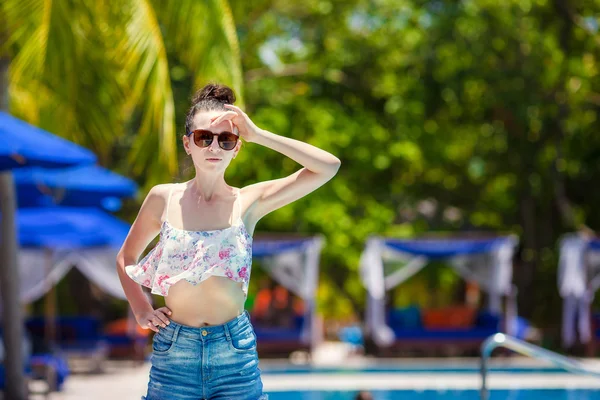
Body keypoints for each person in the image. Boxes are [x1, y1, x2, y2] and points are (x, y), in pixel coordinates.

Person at [116, 83, 340, 400]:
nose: (214, 147)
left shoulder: (249, 201)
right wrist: (141, 309)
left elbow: (328, 166)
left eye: (226, 139)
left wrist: (259, 134)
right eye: (203, 137)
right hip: (175, 350)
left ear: (237, 146)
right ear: (187, 143)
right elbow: (126, 258)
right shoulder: (163, 198)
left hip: (234, 351)